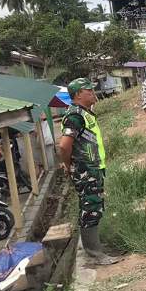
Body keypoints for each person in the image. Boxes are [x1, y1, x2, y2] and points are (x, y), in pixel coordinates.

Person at [58, 78, 120, 266]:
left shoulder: (85, 113)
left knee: (94, 206)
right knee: (90, 208)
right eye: (88, 90)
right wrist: (68, 165)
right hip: (85, 169)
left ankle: (96, 248)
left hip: (93, 168)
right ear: (77, 95)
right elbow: (63, 146)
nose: (93, 92)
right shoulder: (75, 116)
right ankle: (94, 254)